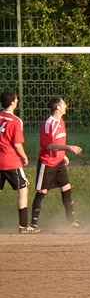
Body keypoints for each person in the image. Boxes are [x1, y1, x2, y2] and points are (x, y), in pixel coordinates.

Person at [30, 97, 83, 231]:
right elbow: (48, 146)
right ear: (58, 107)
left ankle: (71, 221)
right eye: (64, 103)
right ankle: (33, 224)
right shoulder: (49, 123)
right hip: (47, 163)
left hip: (59, 162)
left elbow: (59, 142)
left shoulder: (61, 121)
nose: (66, 105)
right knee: (42, 191)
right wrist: (69, 148)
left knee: (66, 187)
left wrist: (63, 155)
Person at [0, 92, 35, 234]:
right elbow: (17, 144)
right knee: (23, 190)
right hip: (11, 162)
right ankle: (23, 226)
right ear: (13, 102)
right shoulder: (15, 121)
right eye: (16, 99)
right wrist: (25, 157)